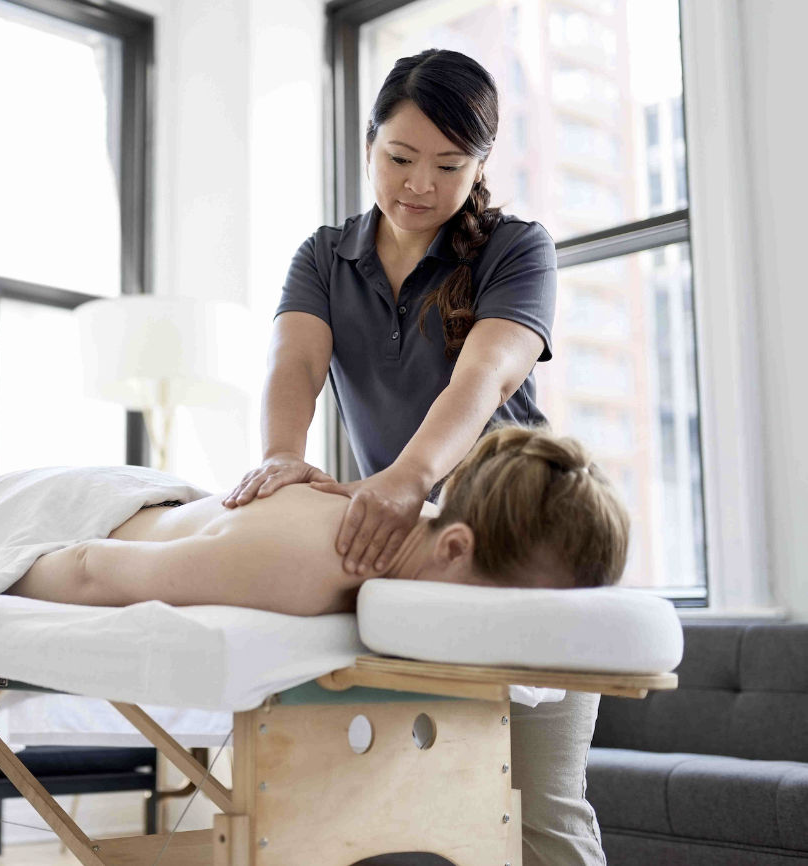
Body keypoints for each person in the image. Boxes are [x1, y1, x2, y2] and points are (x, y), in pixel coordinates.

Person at [215, 47, 607, 866]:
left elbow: (486, 375)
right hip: (414, 556)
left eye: (449, 165)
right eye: (399, 158)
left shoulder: (515, 248)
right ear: (367, 148)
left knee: (544, 813)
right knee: (374, 811)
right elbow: (293, 364)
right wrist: (283, 458)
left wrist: (406, 477)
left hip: (523, 543)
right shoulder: (325, 258)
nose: (419, 184)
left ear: (480, 165)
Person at [8, 424, 628, 616]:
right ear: (456, 547)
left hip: (166, 505)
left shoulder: (428, 537)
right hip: (60, 515)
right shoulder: (309, 564)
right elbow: (90, 570)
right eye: (518, 611)